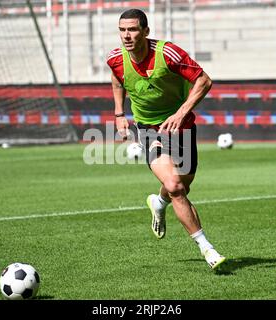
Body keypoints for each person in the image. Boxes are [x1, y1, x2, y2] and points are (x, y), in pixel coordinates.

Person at [106, 8, 226, 270]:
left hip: (181, 126)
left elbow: (204, 81)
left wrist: (181, 112)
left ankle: (158, 202)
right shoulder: (115, 59)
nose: (127, 35)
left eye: (133, 29)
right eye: (122, 30)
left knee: (183, 184)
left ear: (146, 32)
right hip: (148, 128)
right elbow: (117, 80)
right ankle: (208, 249)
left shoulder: (167, 53)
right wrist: (119, 113)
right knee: (175, 186)